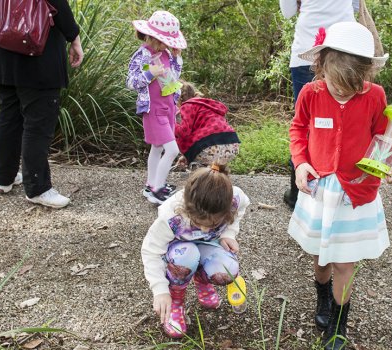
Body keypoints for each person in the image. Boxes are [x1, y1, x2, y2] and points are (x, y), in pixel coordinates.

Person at [288, 22, 392, 350]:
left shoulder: (375, 96)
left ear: (365, 75)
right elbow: (298, 130)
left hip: (356, 191)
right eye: (337, 85)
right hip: (320, 190)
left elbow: (387, 138)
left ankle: (338, 325)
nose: (343, 92)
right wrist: (301, 163)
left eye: (352, 87)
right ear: (321, 65)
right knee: (321, 256)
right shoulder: (311, 93)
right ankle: (322, 298)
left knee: (344, 262)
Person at [0, 0, 83, 209]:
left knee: (9, 114)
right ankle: (38, 187)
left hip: (2, 43)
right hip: (35, 47)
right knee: (39, 119)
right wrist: (73, 36)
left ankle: (4, 178)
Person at [141, 163, 250, 338]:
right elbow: (151, 251)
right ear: (187, 208)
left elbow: (241, 210)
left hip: (209, 246)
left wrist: (228, 233)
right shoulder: (171, 216)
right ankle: (176, 300)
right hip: (180, 251)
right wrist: (160, 290)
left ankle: (202, 281)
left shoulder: (235, 198)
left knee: (227, 271)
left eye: (213, 224)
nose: (205, 230)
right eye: (197, 223)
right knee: (187, 255)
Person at [279, 0, 360, 210]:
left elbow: (287, 13)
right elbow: (356, 8)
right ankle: (341, 190)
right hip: (348, 50)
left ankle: (298, 192)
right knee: (346, 120)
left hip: (309, 47)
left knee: (305, 122)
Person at [127, 10, 187, 205]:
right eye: (163, 41)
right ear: (152, 37)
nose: (166, 45)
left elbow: (174, 78)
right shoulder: (143, 55)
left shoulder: (166, 54)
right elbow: (132, 82)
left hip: (167, 107)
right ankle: (157, 189)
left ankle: (151, 184)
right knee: (172, 150)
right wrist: (149, 74)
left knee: (157, 147)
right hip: (153, 110)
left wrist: (176, 58)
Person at [174, 82, 241, 169]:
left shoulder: (187, 105)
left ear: (178, 98)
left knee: (201, 167)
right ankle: (216, 175)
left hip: (211, 147)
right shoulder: (206, 105)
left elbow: (184, 132)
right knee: (215, 166)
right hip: (232, 144)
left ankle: (200, 170)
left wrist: (170, 124)